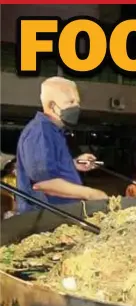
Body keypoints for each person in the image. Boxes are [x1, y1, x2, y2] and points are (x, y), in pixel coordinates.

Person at [15, 76, 107, 213]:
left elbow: (49, 167)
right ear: (52, 106)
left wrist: (74, 164)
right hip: (45, 218)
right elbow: (44, 184)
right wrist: (91, 194)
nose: (77, 106)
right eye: (70, 102)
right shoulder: (40, 132)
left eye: (78, 101)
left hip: (61, 213)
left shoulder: (55, 131)